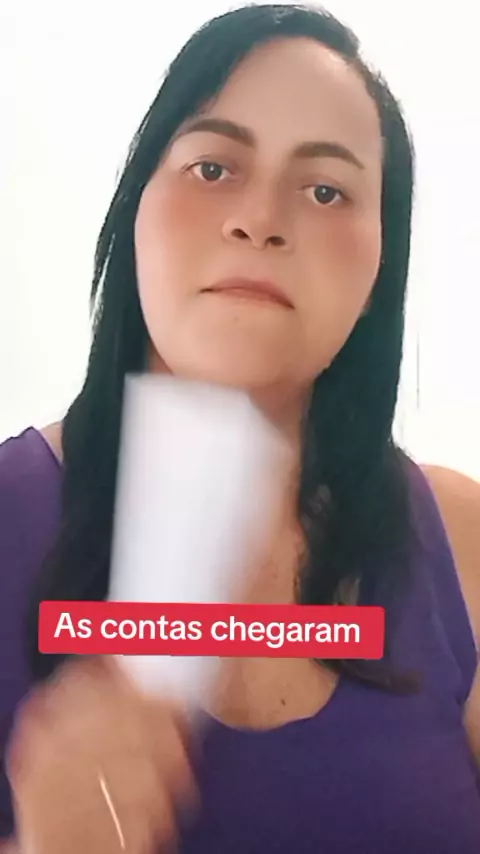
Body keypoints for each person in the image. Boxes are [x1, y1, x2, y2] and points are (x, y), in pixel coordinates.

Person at [0, 3, 479, 852]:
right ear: (135, 208)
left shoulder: (460, 541)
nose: (260, 219)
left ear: (381, 261)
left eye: (325, 189)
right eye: (213, 166)